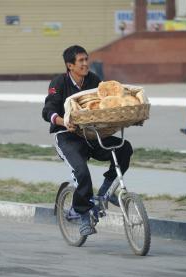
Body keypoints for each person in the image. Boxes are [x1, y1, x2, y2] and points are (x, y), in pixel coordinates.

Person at [42, 45, 133, 236]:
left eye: (86, 59)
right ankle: (83, 215)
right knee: (82, 172)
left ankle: (105, 192)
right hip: (67, 137)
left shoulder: (93, 80)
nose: (85, 63)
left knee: (124, 148)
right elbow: (48, 111)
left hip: (92, 134)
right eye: (81, 61)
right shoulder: (58, 82)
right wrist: (64, 121)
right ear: (70, 65)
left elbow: (104, 104)